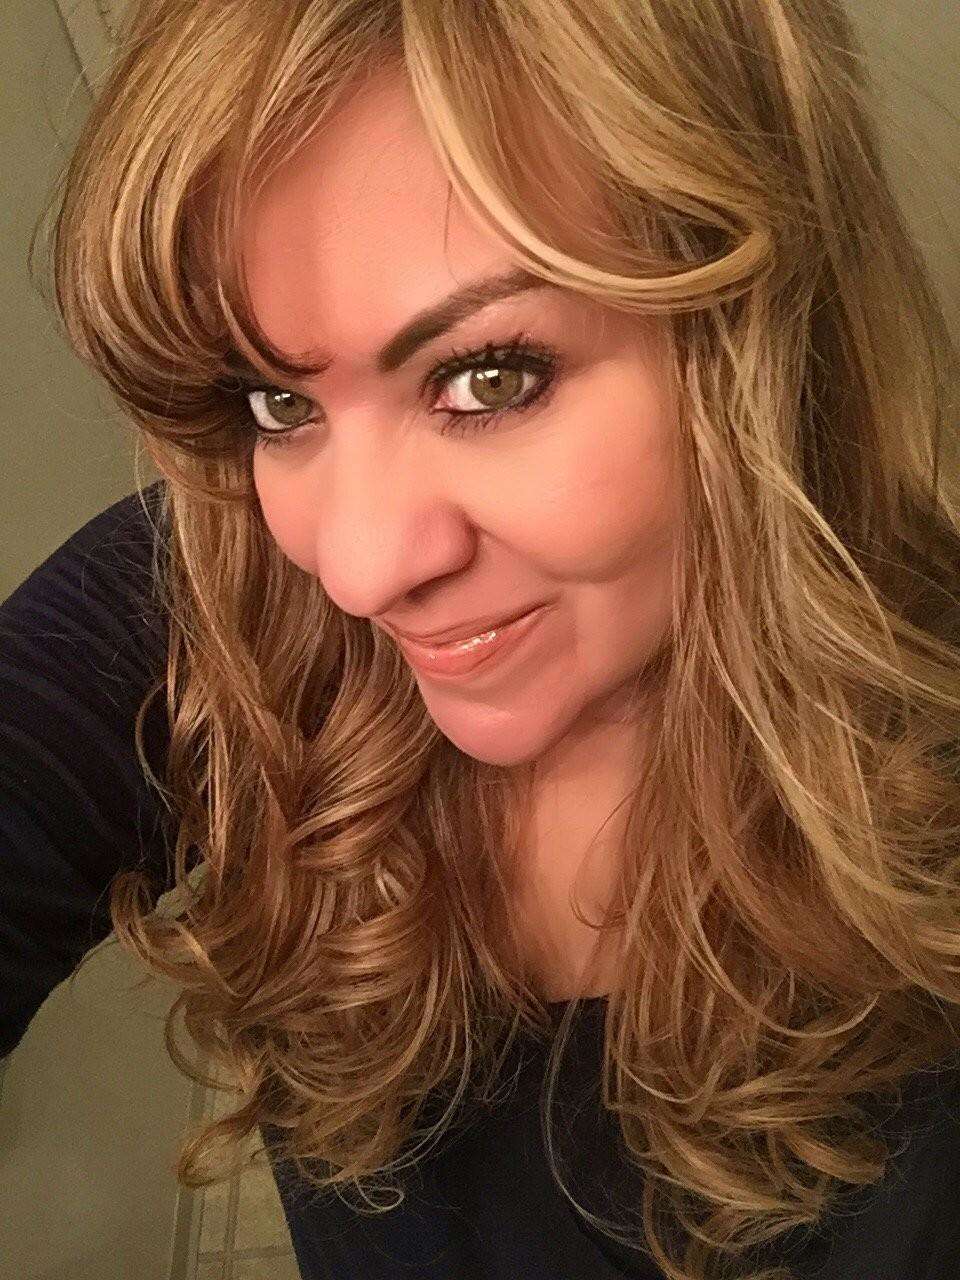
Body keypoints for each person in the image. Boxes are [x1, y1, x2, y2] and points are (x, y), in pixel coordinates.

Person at [4, 1, 960, 1277]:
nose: (356, 569)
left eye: (488, 378)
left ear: (762, 337)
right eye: (278, 400)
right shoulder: (222, 595)